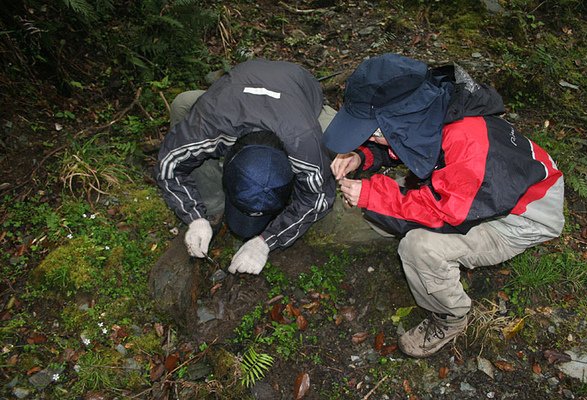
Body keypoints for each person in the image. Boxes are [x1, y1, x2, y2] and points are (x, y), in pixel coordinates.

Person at [322, 53, 564, 358]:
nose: (369, 137)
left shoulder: (466, 145)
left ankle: (450, 317)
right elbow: (407, 146)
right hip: (489, 192)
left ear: (396, 124)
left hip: (521, 218)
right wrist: (362, 156)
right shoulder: (432, 109)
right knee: (393, 208)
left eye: (371, 133)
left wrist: (372, 195)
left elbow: (444, 215)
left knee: (419, 247)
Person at [156, 59, 336, 276]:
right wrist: (195, 217)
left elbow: (318, 198)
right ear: (229, 158)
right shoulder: (211, 122)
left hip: (300, 96)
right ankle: (212, 202)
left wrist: (265, 242)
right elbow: (169, 164)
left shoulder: (305, 144)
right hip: (235, 98)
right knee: (183, 103)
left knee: (335, 136)